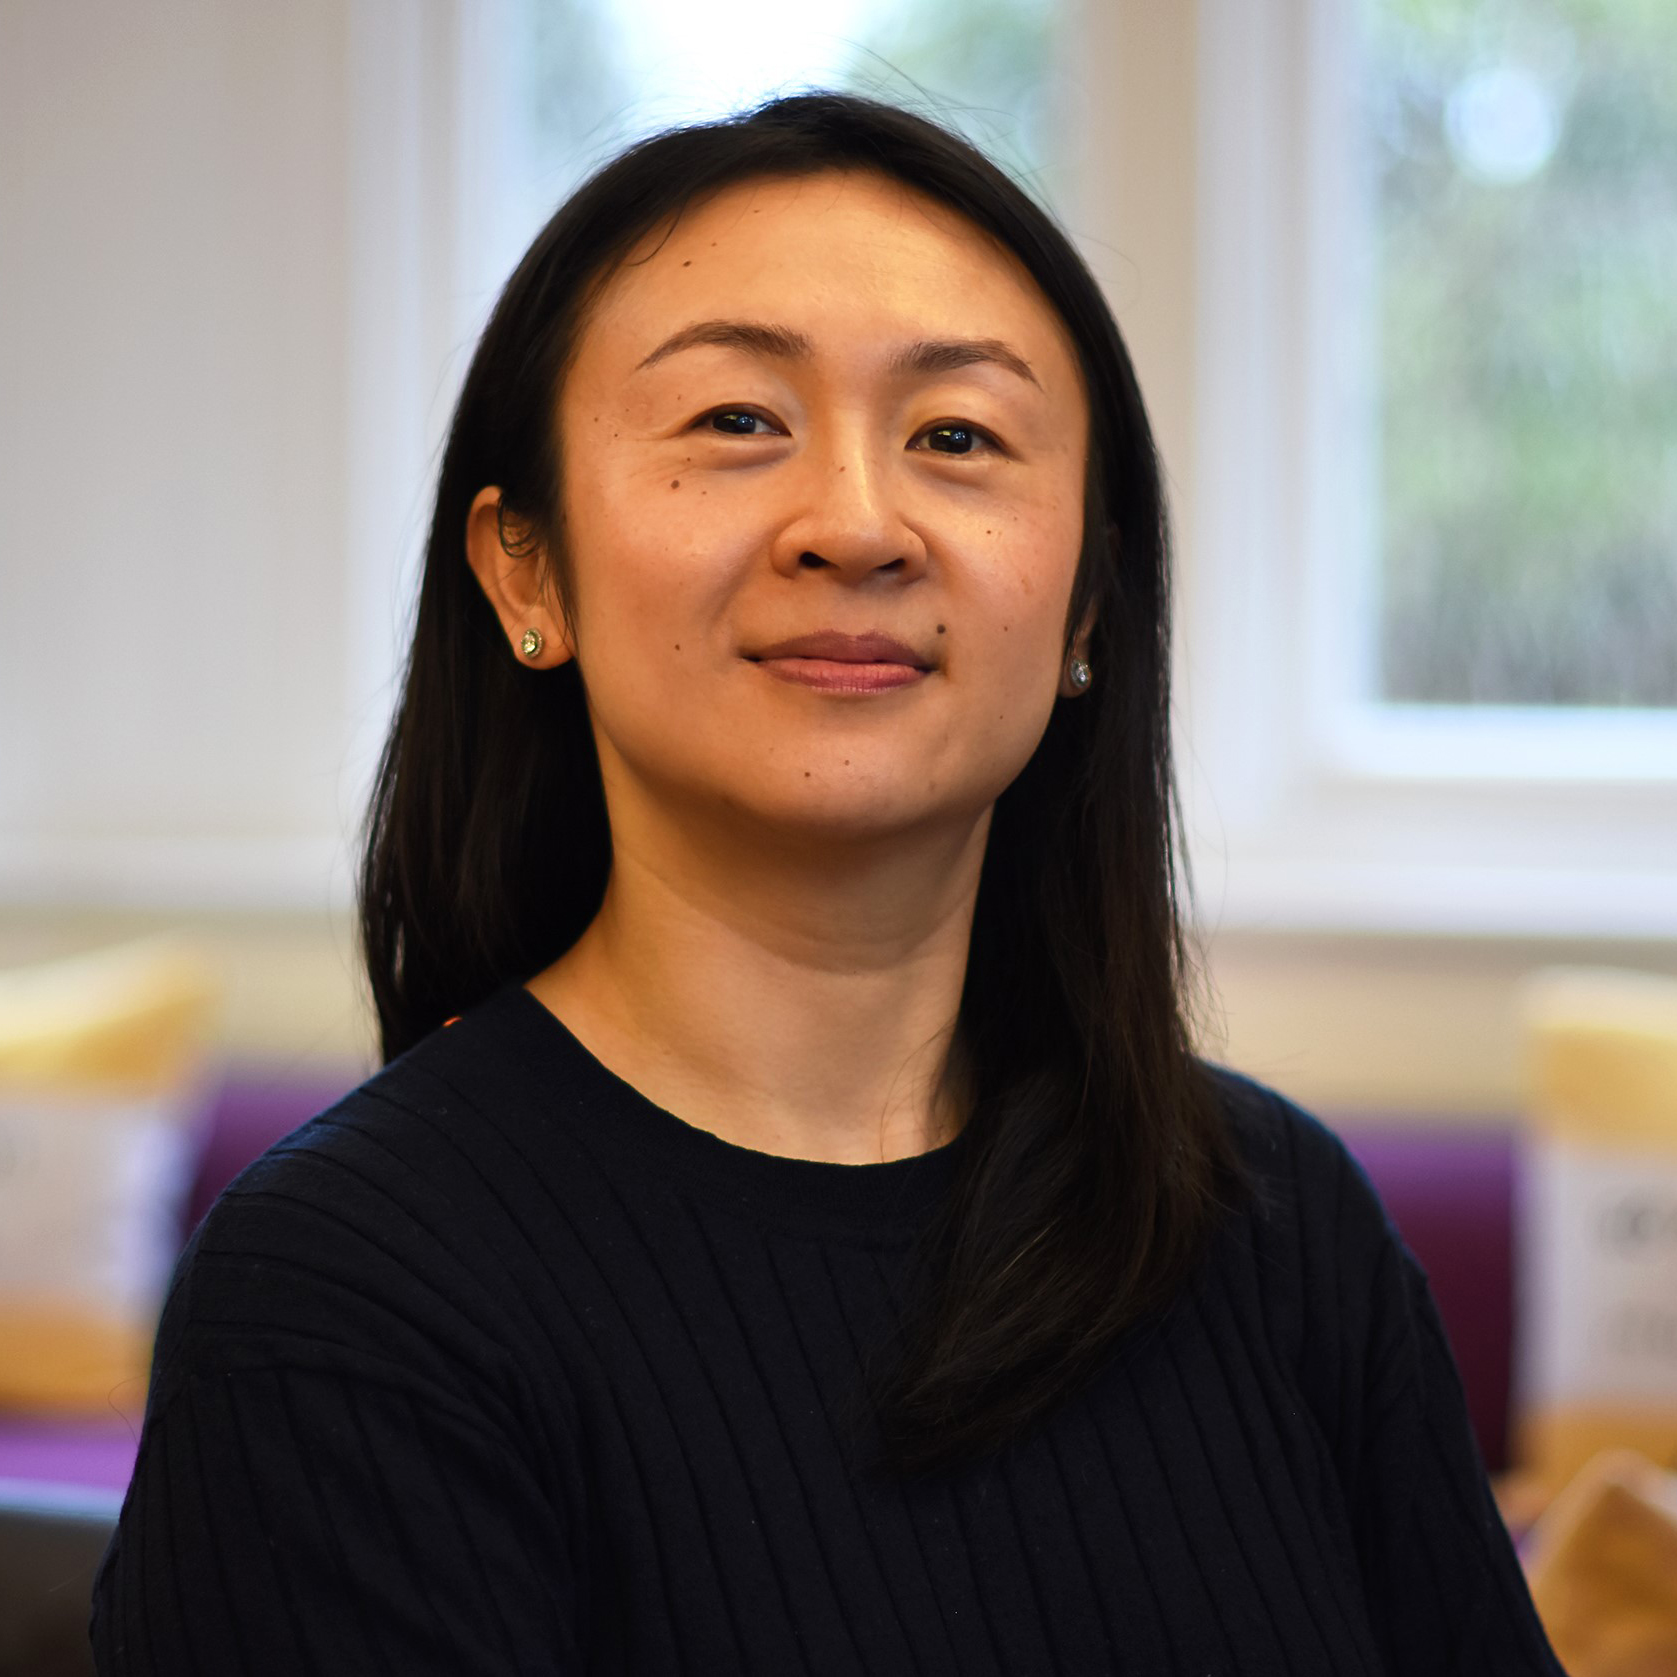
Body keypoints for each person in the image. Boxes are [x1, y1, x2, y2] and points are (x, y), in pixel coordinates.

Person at [91, 93, 1564, 1674]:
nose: (856, 525)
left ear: (1085, 604)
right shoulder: (344, 1294)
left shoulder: (1275, 1224)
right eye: (736, 421)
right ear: (527, 566)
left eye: (957, 437)